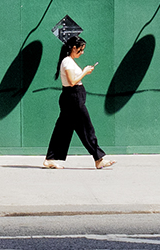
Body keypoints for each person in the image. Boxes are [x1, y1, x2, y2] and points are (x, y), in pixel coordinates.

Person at [43, 36, 115, 170]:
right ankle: (98, 158)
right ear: (73, 48)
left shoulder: (69, 61)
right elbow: (72, 81)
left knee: (62, 129)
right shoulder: (67, 62)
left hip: (71, 98)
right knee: (86, 128)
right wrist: (85, 72)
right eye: (80, 50)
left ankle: (50, 159)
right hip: (73, 98)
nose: (82, 53)